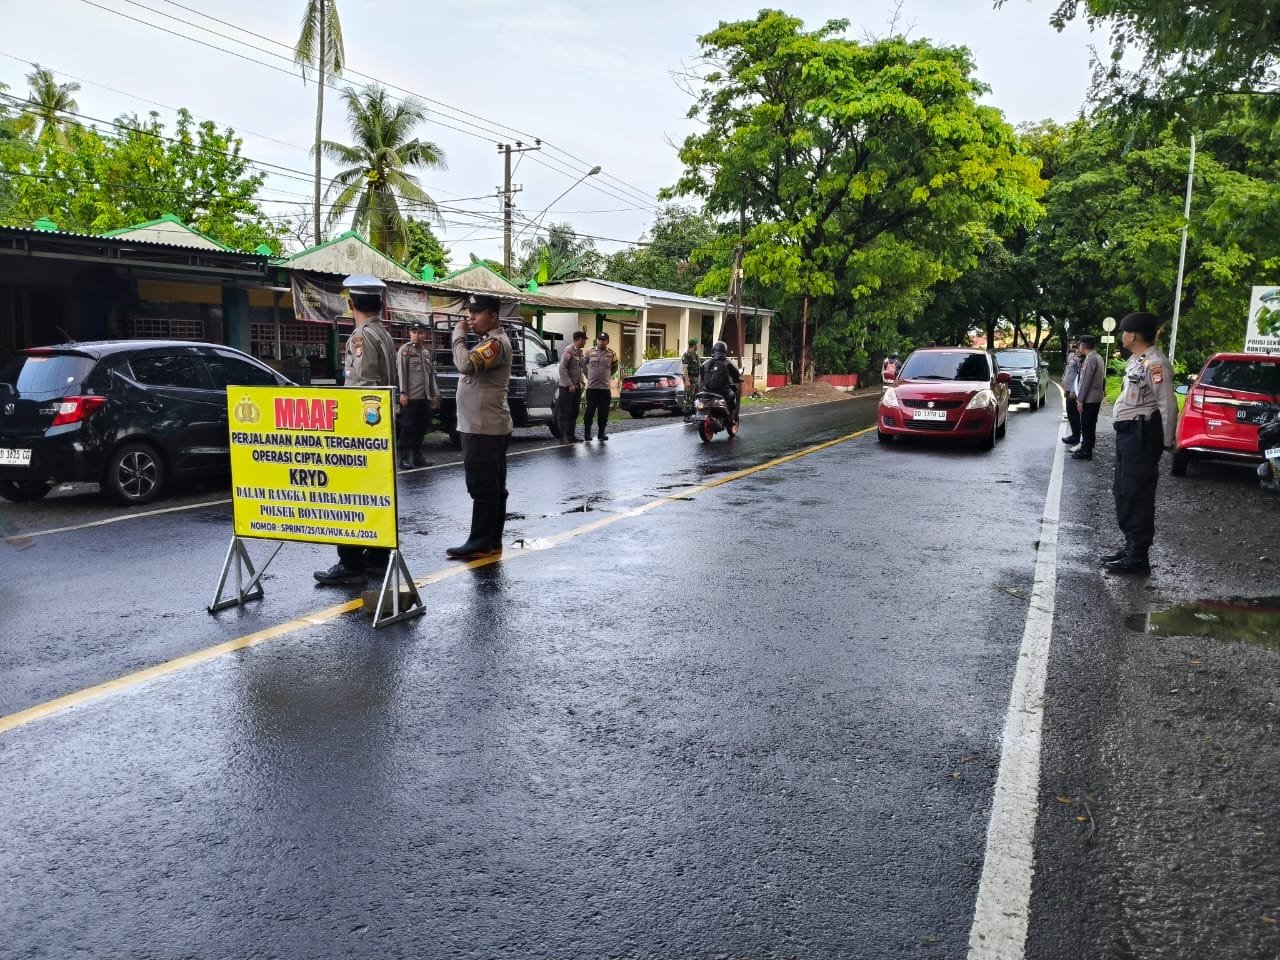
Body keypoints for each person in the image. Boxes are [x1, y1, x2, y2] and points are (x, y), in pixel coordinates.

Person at [314, 275, 398, 586]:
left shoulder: (360, 336)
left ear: (351, 304)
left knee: (350, 498)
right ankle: (376, 559)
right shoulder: (384, 334)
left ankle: (350, 562)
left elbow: (362, 387)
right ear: (381, 303)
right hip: (384, 428)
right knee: (377, 495)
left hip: (365, 430)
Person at [1101, 311, 1177, 574]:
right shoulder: (1137, 360)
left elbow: (1167, 403)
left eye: (1124, 331)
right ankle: (1130, 546)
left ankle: (1138, 556)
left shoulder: (1155, 364)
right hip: (1129, 434)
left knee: (1137, 492)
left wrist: (1166, 441)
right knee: (1123, 489)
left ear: (1132, 334)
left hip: (1142, 435)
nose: (1122, 336)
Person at [446, 293, 513, 560]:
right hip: (483, 424)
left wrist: (458, 335)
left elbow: (465, 364)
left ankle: (481, 541)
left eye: (477, 313)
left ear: (493, 315)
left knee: (482, 484)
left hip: (483, 427)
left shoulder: (494, 344)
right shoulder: (488, 342)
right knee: (492, 485)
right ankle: (490, 540)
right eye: (470, 313)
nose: (471, 318)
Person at [396, 320, 439, 469]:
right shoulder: (405, 350)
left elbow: (430, 376)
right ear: (410, 333)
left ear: (425, 334)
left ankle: (417, 456)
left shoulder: (426, 352)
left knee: (422, 427)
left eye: (420, 332)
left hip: (424, 396)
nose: (417, 335)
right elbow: (402, 373)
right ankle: (404, 458)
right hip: (411, 396)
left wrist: (434, 395)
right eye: (414, 332)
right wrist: (403, 392)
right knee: (408, 428)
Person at [1072, 334, 1105, 460]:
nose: (1078, 347)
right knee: (1091, 424)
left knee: (1086, 425)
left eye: (1079, 344)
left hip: (1089, 398)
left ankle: (1086, 451)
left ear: (1083, 345)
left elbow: (1086, 381)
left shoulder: (1090, 359)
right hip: (1096, 397)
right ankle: (1088, 447)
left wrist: (1080, 400)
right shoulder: (1098, 357)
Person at [583, 330, 618, 441]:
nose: (601, 342)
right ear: (596, 340)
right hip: (592, 388)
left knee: (603, 412)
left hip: (604, 388)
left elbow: (615, 367)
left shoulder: (612, 353)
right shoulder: (589, 352)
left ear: (607, 341)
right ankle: (587, 433)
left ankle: (601, 433)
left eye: (603, 340)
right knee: (590, 411)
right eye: (599, 340)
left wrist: (607, 375)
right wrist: (588, 375)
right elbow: (582, 365)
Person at [701, 340, 743, 421]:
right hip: (722, 392)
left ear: (713, 350)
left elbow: (702, 376)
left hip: (706, 391)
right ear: (725, 350)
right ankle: (731, 418)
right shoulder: (727, 363)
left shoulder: (704, 363)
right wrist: (738, 379)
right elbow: (736, 376)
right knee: (733, 395)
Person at [557, 330, 587, 444]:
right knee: (566, 412)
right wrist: (569, 384)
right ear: (579, 339)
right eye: (584, 339)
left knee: (575, 411)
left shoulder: (579, 352)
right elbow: (562, 368)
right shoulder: (569, 351)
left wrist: (582, 382)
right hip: (566, 387)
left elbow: (580, 369)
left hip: (577, 387)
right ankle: (563, 437)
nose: (585, 342)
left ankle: (571, 435)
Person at [1062, 336, 1082, 444]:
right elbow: (1068, 369)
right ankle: (1074, 434)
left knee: (1074, 413)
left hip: (1074, 390)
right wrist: (1064, 380)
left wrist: (1074, 390)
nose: (1074, 347)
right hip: (1068, 388)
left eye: (1076, 345)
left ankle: (1077, 436)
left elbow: (1079, 376)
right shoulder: (1072, 355)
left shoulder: (1082, 359)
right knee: (1070, 412)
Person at [681, 338, 701, 421]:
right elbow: (685, 369)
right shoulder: (687, 355)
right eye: (696, 344)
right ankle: (687, 415)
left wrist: (699, 377)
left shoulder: (696, 355)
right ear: (693, 345)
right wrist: (687, 380)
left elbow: (699, 367)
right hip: (690, 378)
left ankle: (694, 413)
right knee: (689, 397)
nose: (697, 346)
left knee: (696, 397)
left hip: (696, 378)